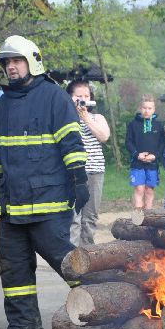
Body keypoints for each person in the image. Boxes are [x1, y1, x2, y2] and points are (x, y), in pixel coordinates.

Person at [0, 35, 88, 329]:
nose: (11, 67)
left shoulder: (54, 97)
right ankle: (23, 326)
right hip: (13, 207)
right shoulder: (3, 105)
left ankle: (105, 308)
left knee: (67, 263)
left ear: (32, 62)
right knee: (13, 268)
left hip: (49, 205)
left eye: (16, 61)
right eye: (7, 63)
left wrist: (79, 179)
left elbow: (71, 143)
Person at [68, 80, 110, 246]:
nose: (83, 99)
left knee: (90, 216)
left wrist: (85, 117)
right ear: (70, 97)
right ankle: (72, 256)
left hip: (95, 172)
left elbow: (104, 136)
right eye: (79, 96)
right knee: (73, 216)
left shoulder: (97, 117)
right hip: (72, 173)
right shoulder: (65, 118)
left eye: (86, 96)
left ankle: (88, 256)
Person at [126, 94, 164, 211]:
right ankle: (138, 220)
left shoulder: (159, 125)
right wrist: (137, 154)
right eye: (144, 108)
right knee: (139, 189)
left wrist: (155, 156)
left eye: (149, 108)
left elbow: (162, 144)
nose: (147, 111)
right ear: (140, 108)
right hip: (137, 163)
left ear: (154, 109)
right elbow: (128, 142)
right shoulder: (133, 124)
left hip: (152, 164)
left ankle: (148, 221)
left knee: (149, 190)